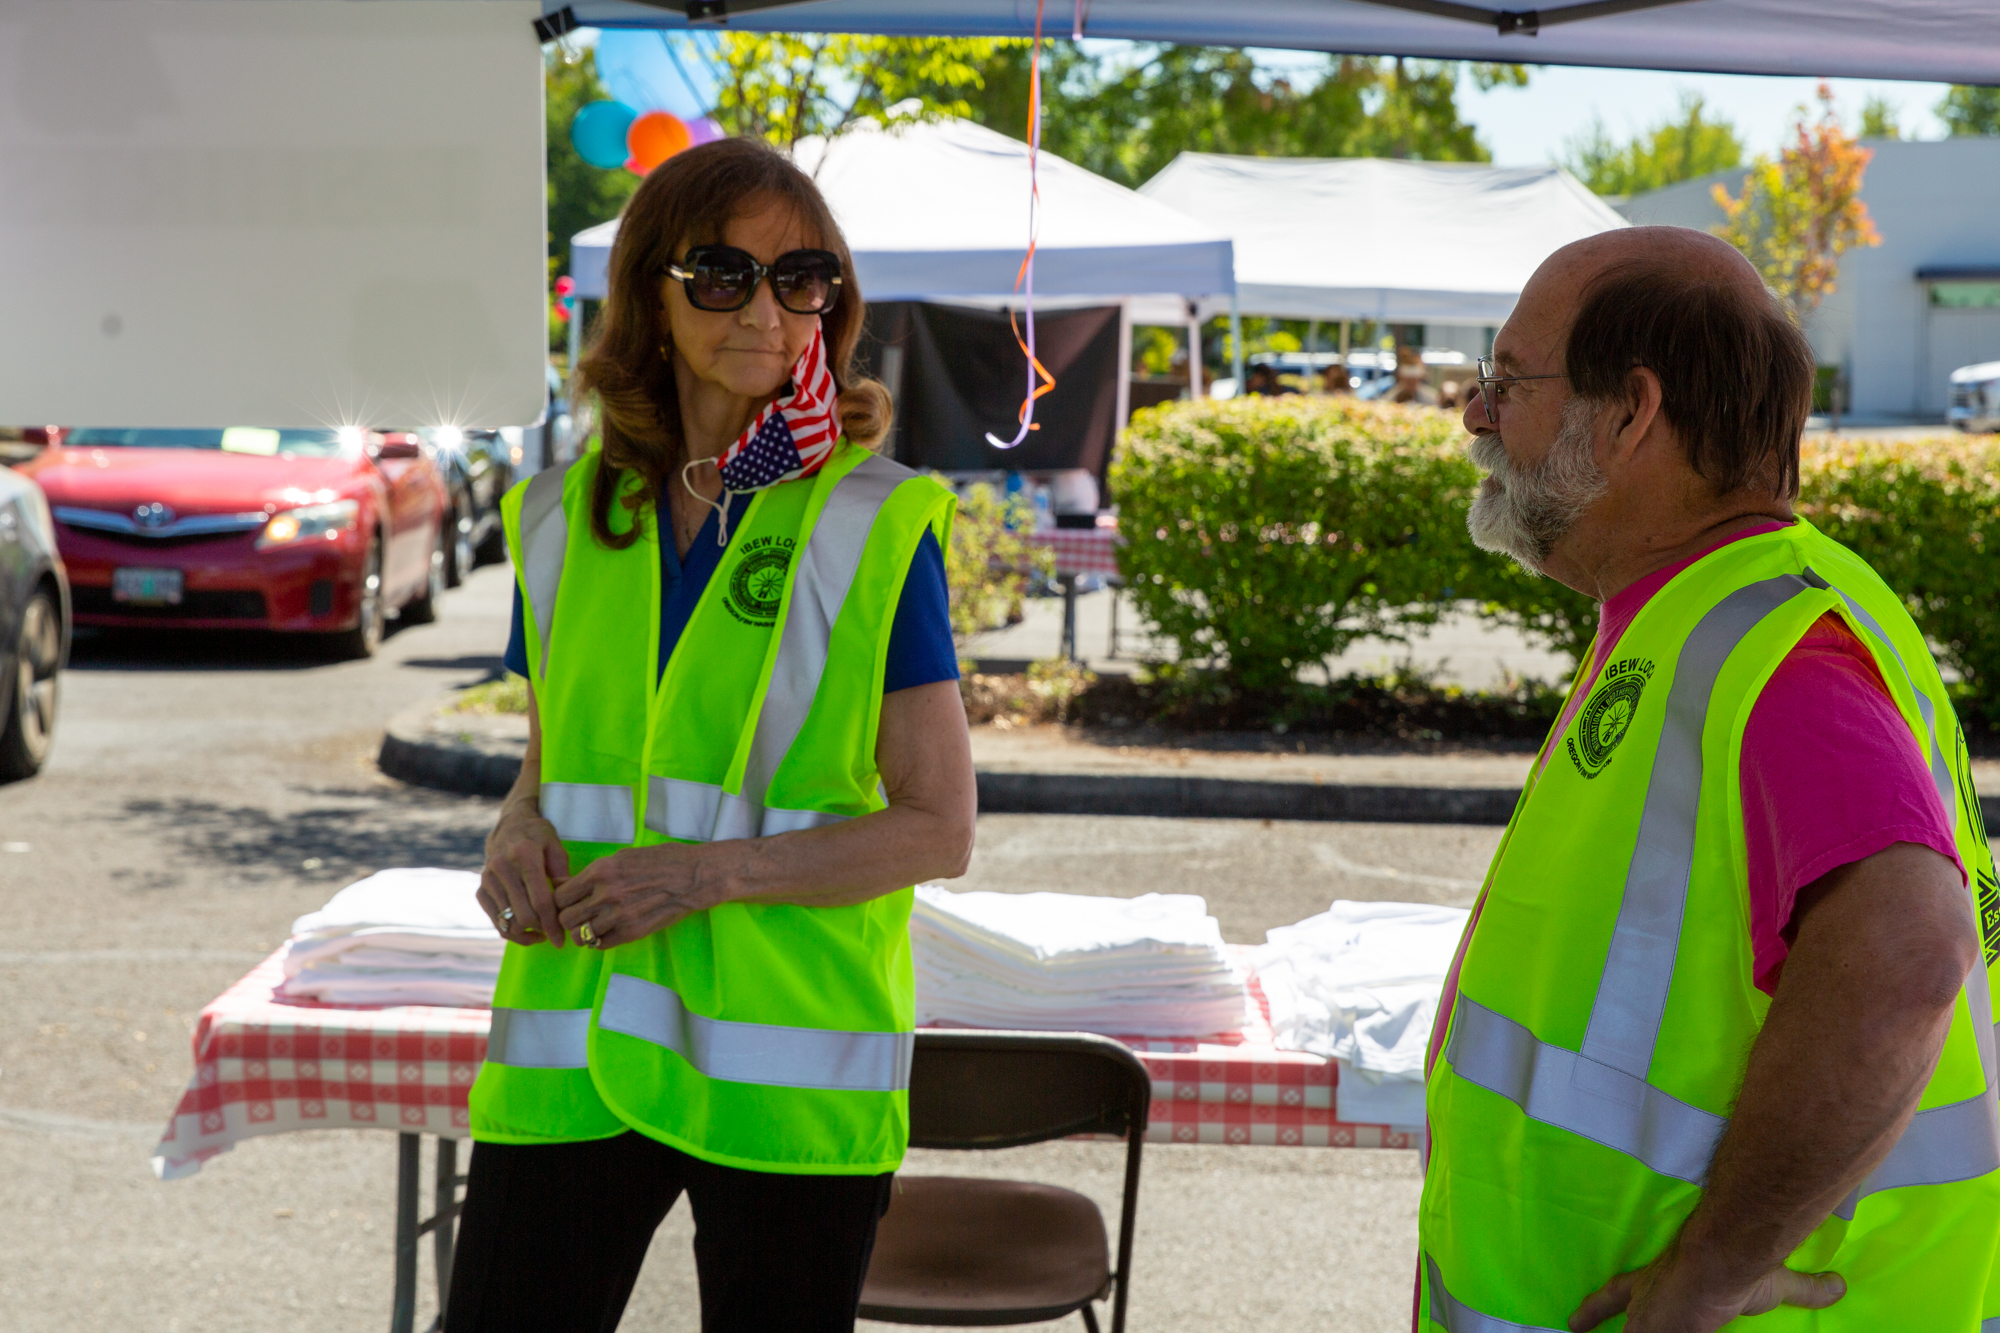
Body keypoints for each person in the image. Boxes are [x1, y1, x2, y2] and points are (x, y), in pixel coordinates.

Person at [1420, 225, 2000, 1332]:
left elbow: (1908, 951)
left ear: (1629, 413)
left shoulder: (1776, 650)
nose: (1476, 415)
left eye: (1508, 380)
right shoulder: (1704, 610)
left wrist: (1710, 1275)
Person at [447, 138, 976, 1333]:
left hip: (785, 1075)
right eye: (723, 274)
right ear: (650, 291)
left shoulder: (875, 521)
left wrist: (706, 874)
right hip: (571, 1047)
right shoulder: (555, 516)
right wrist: (512, 832)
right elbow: (547, 766)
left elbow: (938, 830)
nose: (767, 310)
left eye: (802, 279)